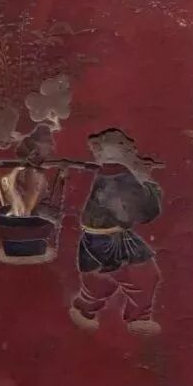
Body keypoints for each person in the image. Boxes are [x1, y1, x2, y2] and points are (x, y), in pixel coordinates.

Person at [70, 129, 163, 335]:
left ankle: (84, 309)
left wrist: (138, 174)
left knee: (99, 281)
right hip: (111, 241)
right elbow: (147, 213)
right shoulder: (121, 178)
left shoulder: (108, 173)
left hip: (94, 239)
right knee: (145, 276)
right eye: (131, 151)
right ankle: (139, 318)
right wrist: (147, 180)